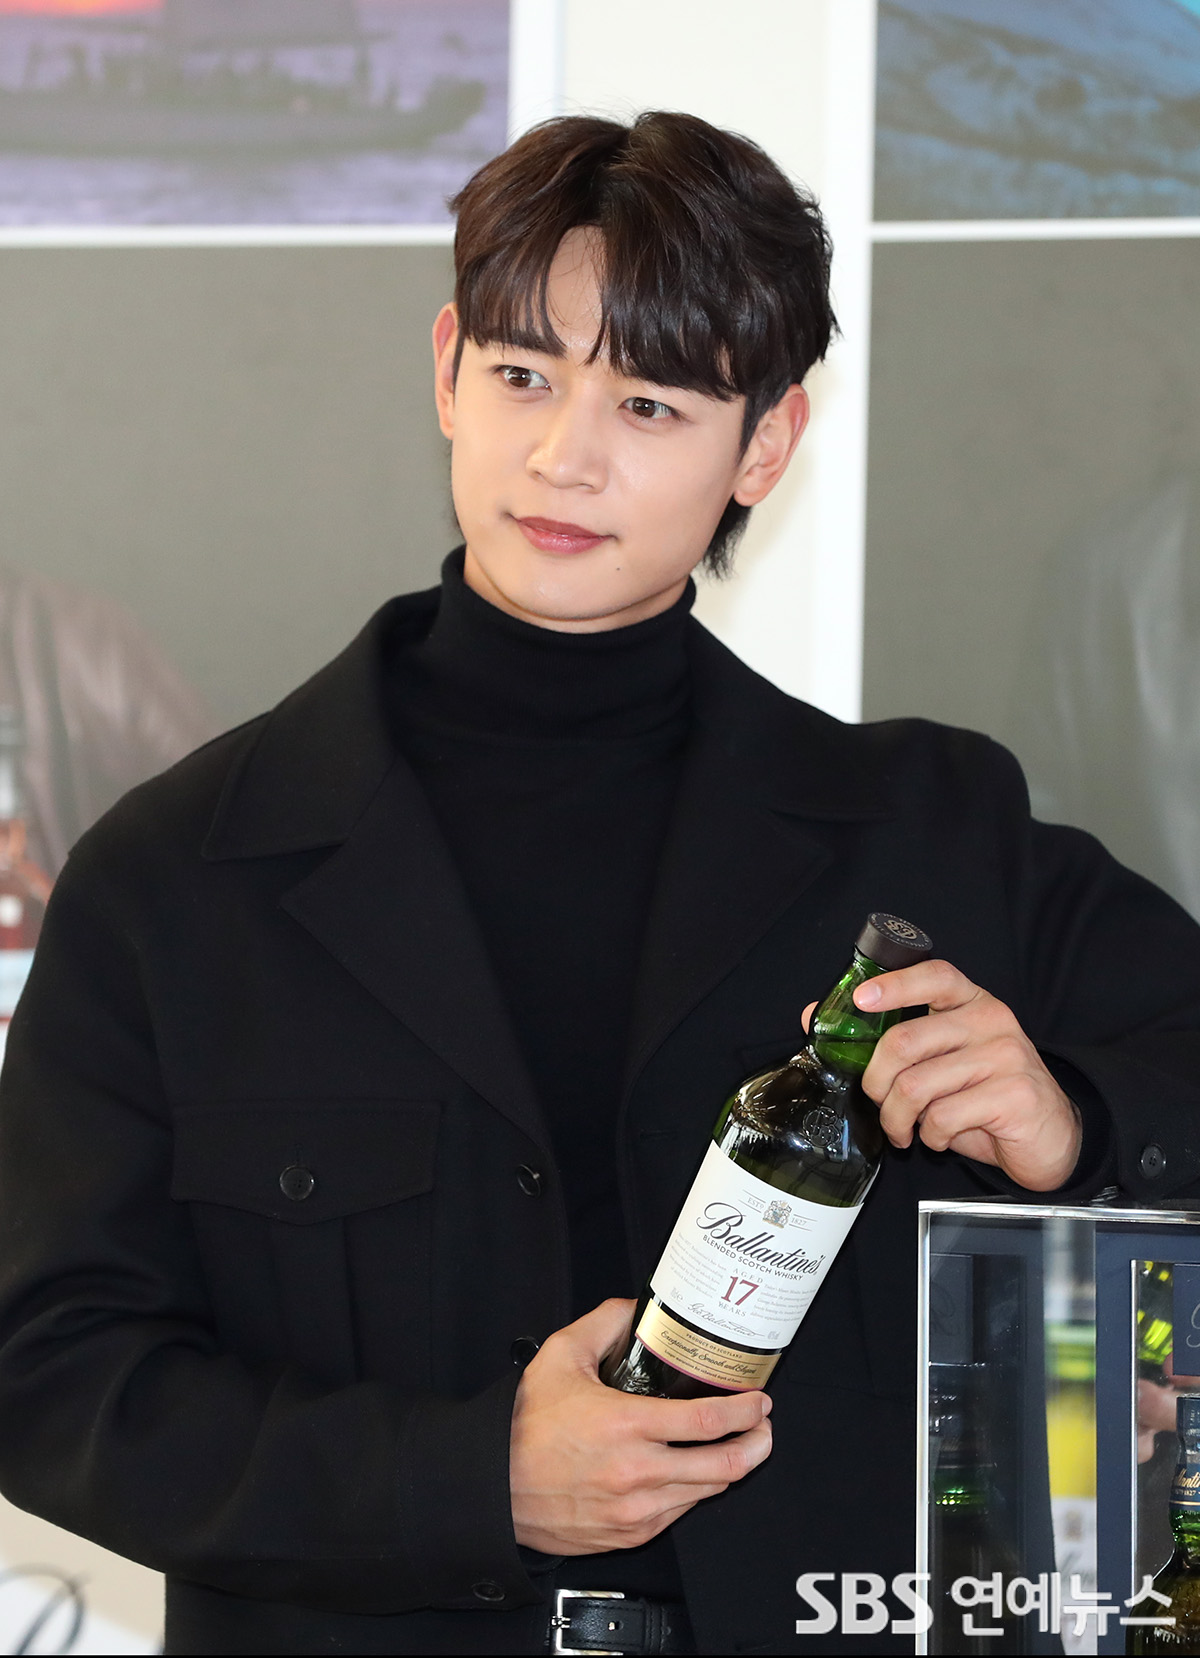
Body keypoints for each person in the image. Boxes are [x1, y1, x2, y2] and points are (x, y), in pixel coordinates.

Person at [0, 111, 1197, 1658]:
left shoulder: (934, 831)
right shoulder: (176, 877)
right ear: (447, 370)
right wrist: (465, 1479)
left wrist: (1079, 1117)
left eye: (648, 400)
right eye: (524, 374)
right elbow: (50, 1372)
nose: (567, 453)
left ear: (764, 443)